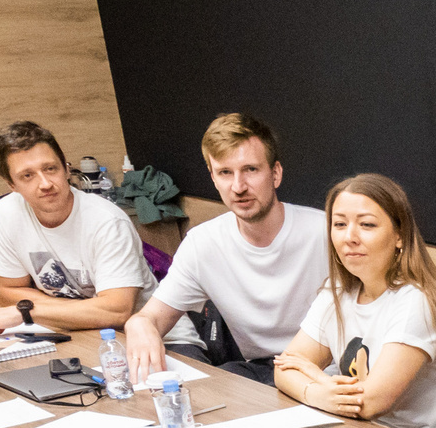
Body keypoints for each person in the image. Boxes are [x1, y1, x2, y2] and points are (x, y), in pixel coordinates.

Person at [273, 174, 436, 428]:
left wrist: (311, 373)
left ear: (400, 235)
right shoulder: (336, 291)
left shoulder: (418, 300)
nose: (349, 237)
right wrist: (318, 393)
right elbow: (283, 370)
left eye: (367, 225)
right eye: (339, 224)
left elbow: (369, 403)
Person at [123, 112, 328, 386]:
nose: (238, 187)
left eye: (251, 170)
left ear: (275, 173)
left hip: (327, 371)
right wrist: (139, 325)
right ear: (213, 178)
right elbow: (151, 317)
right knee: (205, 390)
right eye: (225, 173)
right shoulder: (203, 243)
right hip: (261, 371)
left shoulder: (325, 232)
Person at [0, 120, 155, 336]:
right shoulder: (6, 213)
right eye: (27, 175)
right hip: (74, 333)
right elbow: (7, 291)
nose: (45, 184)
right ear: (11, 184)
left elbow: (116, 311)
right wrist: (79, 312)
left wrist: (27, 312)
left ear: (66, 169)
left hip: (150, 336)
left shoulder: (107, 221)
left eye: (50, 169)